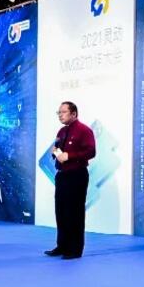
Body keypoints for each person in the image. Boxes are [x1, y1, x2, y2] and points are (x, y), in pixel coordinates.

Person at [45, 101, 95, 259]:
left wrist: (70, 156)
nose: (60, 115)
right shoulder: (61, 131)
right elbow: (58, 150)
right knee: (61, 211)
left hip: (76, 175)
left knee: (74, 212)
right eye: (58, 112)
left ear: (74, 114)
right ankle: (62, 246)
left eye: (63, 112)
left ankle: (74, 249)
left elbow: (91, 151)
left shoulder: (84, 130)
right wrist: (55, 152)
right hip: (62, 175)